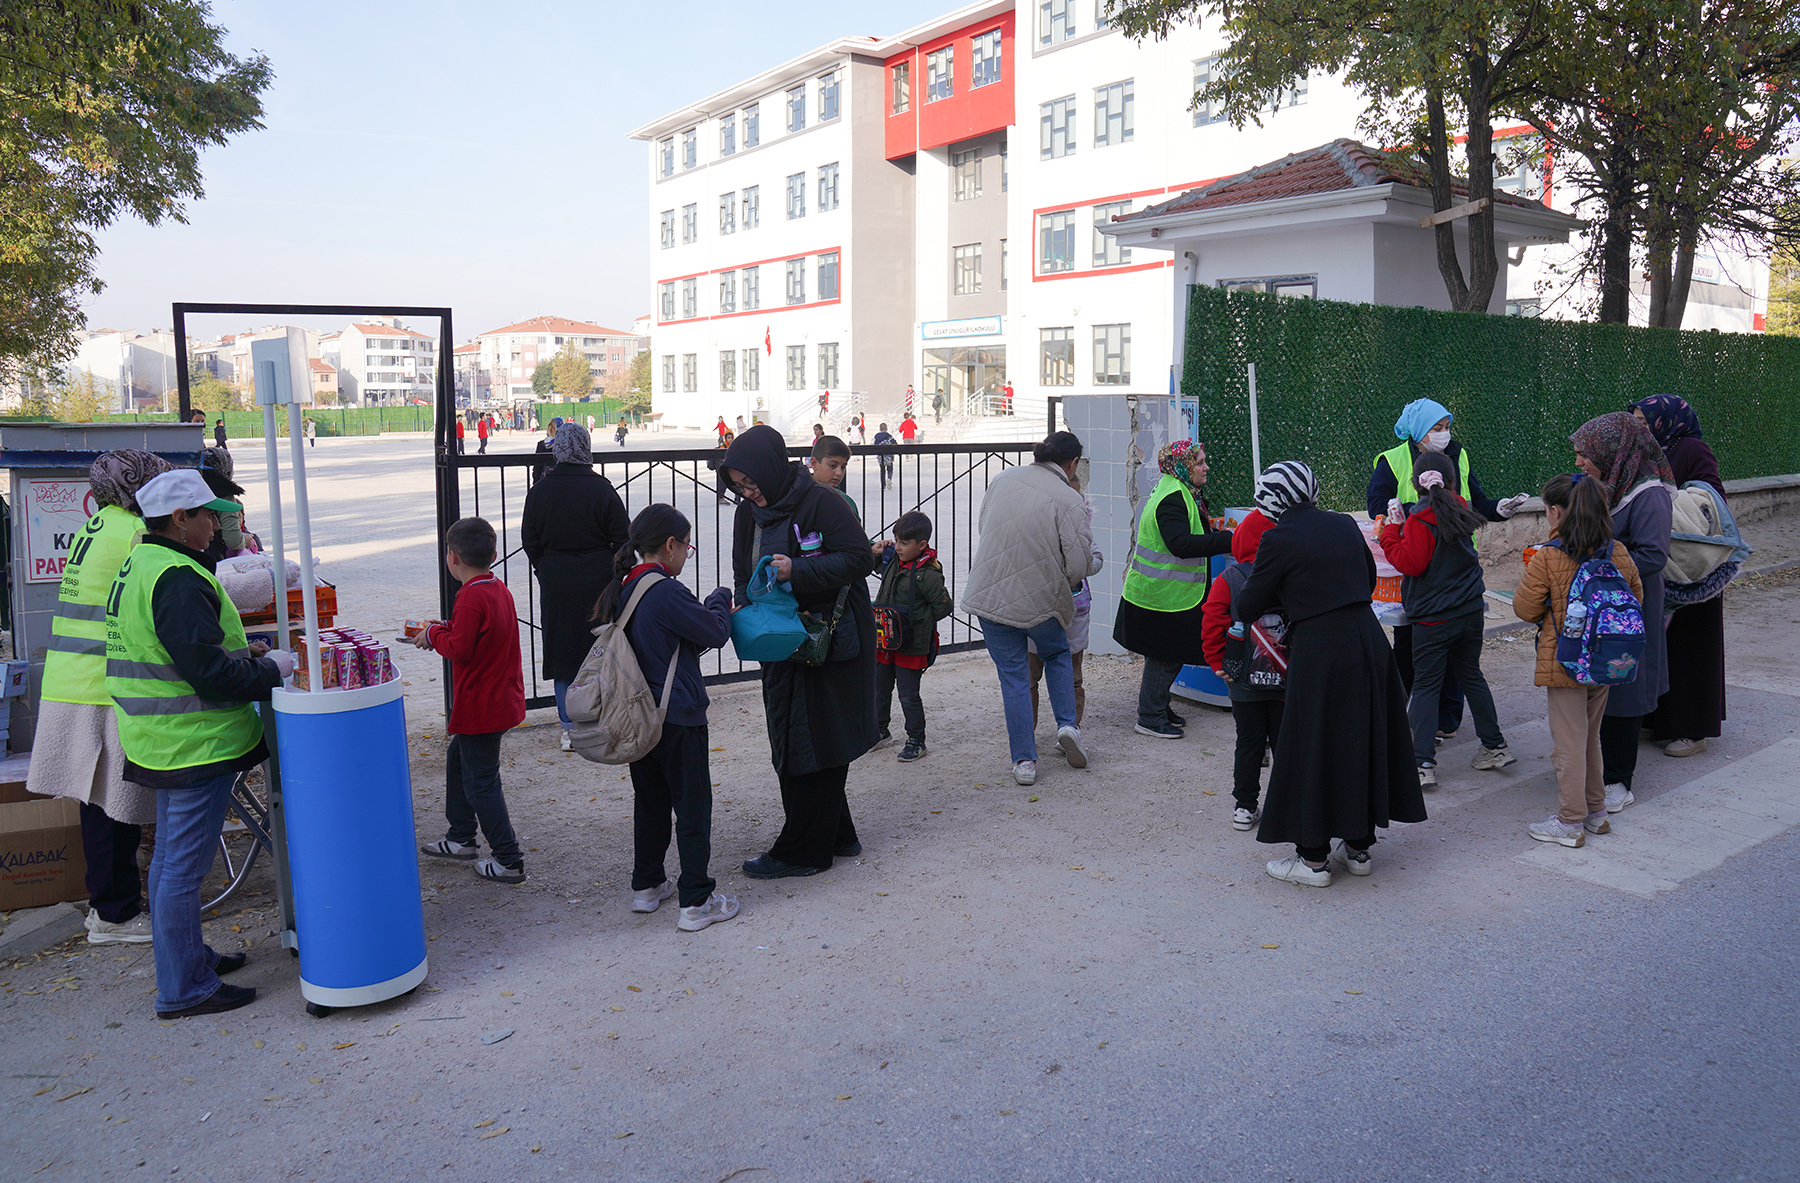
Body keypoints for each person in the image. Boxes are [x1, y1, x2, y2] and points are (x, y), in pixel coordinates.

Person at [105, 469, 294, 1016]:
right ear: (179, 519)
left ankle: (189, 958)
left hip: (162, 740)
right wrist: (273, 672)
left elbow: (179, 655)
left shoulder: (145, 564)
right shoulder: (177, 578)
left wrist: (248, 652)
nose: (219, 524)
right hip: (194, 745)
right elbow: (206, 676)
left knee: (169, 863)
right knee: (183, 869)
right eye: (209, 514)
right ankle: (184, 988)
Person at [1238, 461, 1427, 887]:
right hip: (1367, 639)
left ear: (1271, 500)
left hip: (1320, 649)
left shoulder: (1278, 537)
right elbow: (1369, 574)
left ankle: (1313, 859)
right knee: (1360, 737)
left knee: (1314, 744)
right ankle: (1358, 846)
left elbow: (1247, 605)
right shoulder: (1343, 524)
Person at [27, 450, 172, 945]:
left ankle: (106, 906)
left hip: (73, 682)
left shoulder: (97, 525)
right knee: (115, 807)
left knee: (97, 803)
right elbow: (162, 593)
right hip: (100, 687)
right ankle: (115, 915)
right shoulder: (132, 533)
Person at [724, 425, 876, 878]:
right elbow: (740, 568)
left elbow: (859, 559)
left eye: (751, 483)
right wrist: (747, 606)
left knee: (816, 737)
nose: (748, 492)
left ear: (771, 471)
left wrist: (799, 571)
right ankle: (836, 833)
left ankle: (804, 850)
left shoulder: (822, 502)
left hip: (827, 638)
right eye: (738, 486)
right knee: (793, 736)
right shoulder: (749, 511)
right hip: (778, 639)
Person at [597, 505, 740, 931]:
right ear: (671, 545)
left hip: (641, 715)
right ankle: (696, 901)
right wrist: (720, 598)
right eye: (687, 547)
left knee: (652, 801)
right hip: (677, 713)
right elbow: (714, 631)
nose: (686, 555)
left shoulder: (626, 586)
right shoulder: (664, 590)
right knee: (692, 806)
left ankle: (647, 885)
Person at [1368, 399, 1529, 745]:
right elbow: (1376, 506)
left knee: (1457, 656)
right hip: (1417, 564)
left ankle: (1444, 720)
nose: (1444, 435)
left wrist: (1500, 509)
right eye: (1436, 428)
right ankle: (1401, 714)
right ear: (1418, 433)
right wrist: (1418, 513)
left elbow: (1476, 501)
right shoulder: (1392, 460)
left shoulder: (1460, 454)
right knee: (1412, 646)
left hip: (1457, 558)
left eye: (1446, 427)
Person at [1514, 473, 1643, 847]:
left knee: (1567, 744)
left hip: (1564, 663)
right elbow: (1636, 597)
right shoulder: (1616, 551)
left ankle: (1570, 822)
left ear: (1556, 512)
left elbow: (1524, 608)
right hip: (1605, 661)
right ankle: (1596, 812)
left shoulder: (1548, 557)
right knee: (1590, 738)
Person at [963, 431, 1097, 786]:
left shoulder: (1003, 479)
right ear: (1071, 464)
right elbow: (1078, 565)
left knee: (1015, 677)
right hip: (1039, 601)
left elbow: (985, 528)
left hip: (987, 595)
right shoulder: (1069, 498)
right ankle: (1068, 725)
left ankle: (1024, 762)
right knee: (1056, 654)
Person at [1378, 451, 1515, 787]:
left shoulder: (1418, 520)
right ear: (1452, 482)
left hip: (1433, 618)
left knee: (1426, 685)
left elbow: (1412, 564)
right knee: (1471, 676)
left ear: (1414, 484)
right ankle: (1495, 746)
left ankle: (1422, 764)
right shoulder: (1461, 506)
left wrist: (1390, 533)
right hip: (1469, 610)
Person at [413, 518, 528, 883]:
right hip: (499, 697)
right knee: (458, 760)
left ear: (452, 557)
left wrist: (433, 634)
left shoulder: (471, 595)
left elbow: (461, 649)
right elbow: (477, 635)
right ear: (494, 554)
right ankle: (460, 835)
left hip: (482, 704)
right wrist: (444, 626)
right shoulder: (496, 588)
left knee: (482, 781)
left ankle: (508, 858)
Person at [1571, 412, 1676, 813]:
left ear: (1612, 452)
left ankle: (1619, 780)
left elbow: (1653, 555)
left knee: (1625, 685)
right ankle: (1599, 770)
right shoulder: (1612, 486)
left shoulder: (1648, 494)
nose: (1580, 462)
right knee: (1600, 682)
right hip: (1603, 599)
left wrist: (1597, 557)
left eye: (1585, 454)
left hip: (1629, 604)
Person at [1114, 440, 1234, 739]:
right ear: (1183, 465)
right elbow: (1179, 544)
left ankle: (1158, 705)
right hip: (1163, 594)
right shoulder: (1173, 497)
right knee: (1165, 655)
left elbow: (1189, 532)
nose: (1206, 467)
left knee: (1171, 653)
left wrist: (1216, 534)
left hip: (1167, 593)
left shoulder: (1178, 489)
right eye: (1200, 462)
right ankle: (1150, 717)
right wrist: (1229, 540)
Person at [522, 421, 630, 750]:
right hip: (598, 577)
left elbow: (530, 541)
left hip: (556, 578)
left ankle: (568, 726)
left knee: (562, 652)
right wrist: (613, 571)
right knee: (600, 648)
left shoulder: (540, 490)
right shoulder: (601, 488)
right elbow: (623, 539)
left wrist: (546, 567)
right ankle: (602, 716)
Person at [1629, 395, 1726, 758]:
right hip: (1657, 560)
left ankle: (1692, 729)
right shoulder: (1644, 453)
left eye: (1644, 419)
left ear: (1665, 420)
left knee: (1691, 647)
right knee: (1658, 644)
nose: (1639, 426)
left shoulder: (1692, 450)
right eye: (1635, 419)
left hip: (1690, 565)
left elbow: (1710, 499)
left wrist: (1667, 504)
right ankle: (1656, 721)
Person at [1200, 509, 1285, 832]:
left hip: (1242, 676)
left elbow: (1212, 620)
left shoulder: (1229, 579)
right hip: (1283, 678)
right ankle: (1284, 805)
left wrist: (1217, 661)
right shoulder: (1287, 575)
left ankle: (1245, 806)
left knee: (1248, 742)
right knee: (1284, 742)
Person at [870, 511, 954, 761]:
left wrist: (918, 621)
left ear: (922, 545)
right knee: (879, 688)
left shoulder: (928, 574)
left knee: (908, 695)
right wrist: (875, 549)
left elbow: (943, 607)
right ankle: (880, 731)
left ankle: (917, 740)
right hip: (885, 641)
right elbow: (866, 562)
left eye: (904, 543)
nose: (898, 547)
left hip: (911, 645)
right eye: (896, 541)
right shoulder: (891, 559)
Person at [1028, 470, 1102, 735]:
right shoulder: (1037, 526)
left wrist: (1080, 567)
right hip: (1039, 609)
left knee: (1072, 677)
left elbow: (1095, 557)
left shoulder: (1083, 526)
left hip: (1073, 608)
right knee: (1030, 676)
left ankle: (1071, 728)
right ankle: (1028, 728)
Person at [811, 435, 856, 517]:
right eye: (833, 465)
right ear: (814, 463)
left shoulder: (847, 502)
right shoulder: (798, 498)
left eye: (843, 467)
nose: (839, 473)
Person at [872, 421, 897, 489]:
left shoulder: (877, 437)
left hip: (881, 456)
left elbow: (875, 446)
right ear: (887, 429)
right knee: (890, 469)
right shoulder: (889, 436)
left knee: (882, 470)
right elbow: (895, 444)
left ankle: (883, 484)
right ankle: (889, 478)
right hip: (889, 456)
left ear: (880, 429)